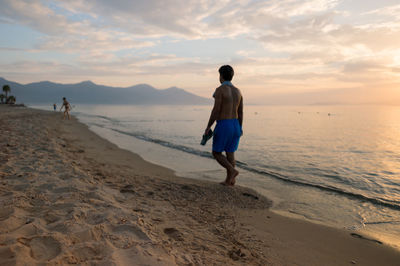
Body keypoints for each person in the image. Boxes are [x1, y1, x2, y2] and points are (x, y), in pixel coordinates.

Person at [204, 65, 243, 186]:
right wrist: (240, 128)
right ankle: (230, 180)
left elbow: (216, 110)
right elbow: (240, 112)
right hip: (236, 124)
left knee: (216, 153)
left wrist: (208, 126)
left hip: (224, 124)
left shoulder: (220, 90)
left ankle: (232, 171)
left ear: (221, 76)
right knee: (230, 152)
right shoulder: (238, 91)